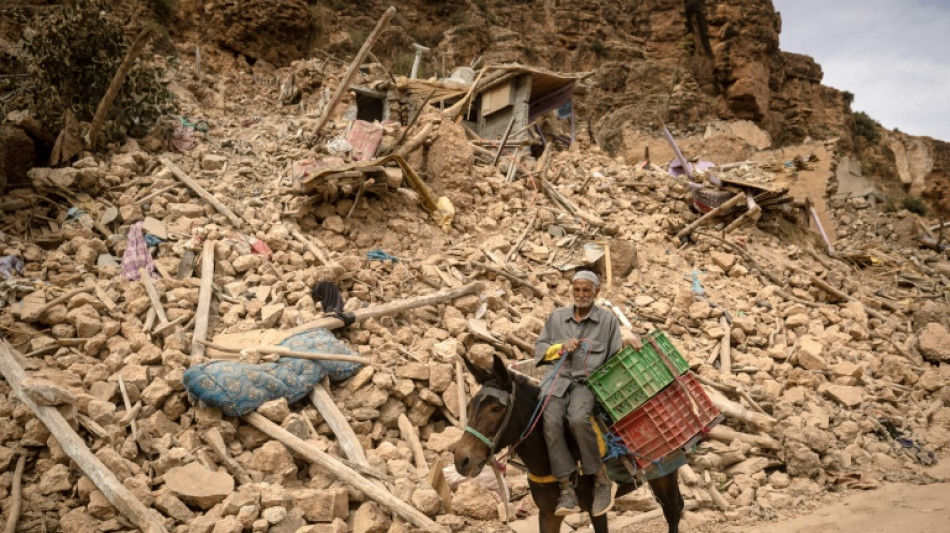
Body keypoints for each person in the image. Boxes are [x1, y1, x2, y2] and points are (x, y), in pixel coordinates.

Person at [534, 270, 622, 517]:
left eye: (586, 290)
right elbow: (539, 350)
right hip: (557, 382)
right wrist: (560, 348)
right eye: (577, 290)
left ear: (596, 292)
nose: (581, 295)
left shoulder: (608, 322)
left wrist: (629, 343)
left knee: (577, 419)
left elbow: (615, 358)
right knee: (550, 421)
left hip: (587, 384)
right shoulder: (557, 318)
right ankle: (566, 487)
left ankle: (601, 479)